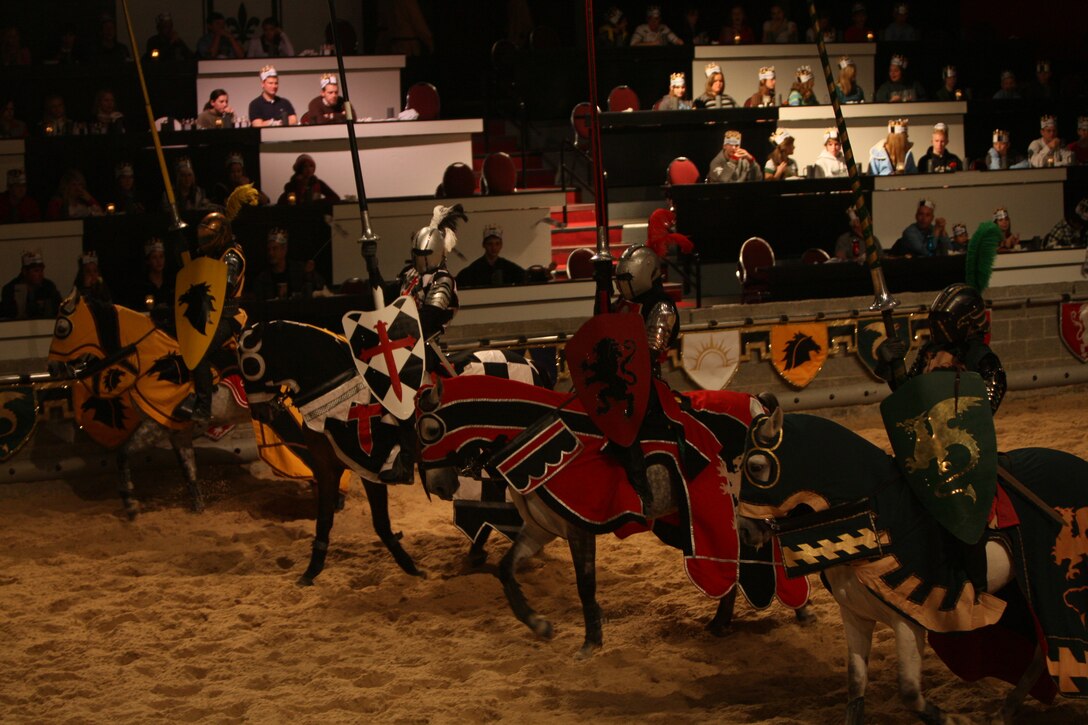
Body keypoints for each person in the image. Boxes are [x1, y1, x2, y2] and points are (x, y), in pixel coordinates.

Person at [607, 243, 681, 511]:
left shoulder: (661, 307)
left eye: (626, 279)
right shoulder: (623, 304)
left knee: (624, 423)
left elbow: (652, 348)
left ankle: (641, 489)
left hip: (645, 382)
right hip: (615, 377)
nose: (622, 285)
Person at [251, 228, 326, 300]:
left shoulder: (299, 269)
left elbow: (321, 286)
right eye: (269, 249)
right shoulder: (262, 279)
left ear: (284, 250)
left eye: (275, 249)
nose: (271, 253)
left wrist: (310, 274)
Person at [455, 224, 526, 288]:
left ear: (501, 245)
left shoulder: (509, 268)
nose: (494, 248)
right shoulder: (474, 269)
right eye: (490, 244)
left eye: (497, 244)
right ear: (484, 245)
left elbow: (524, 277)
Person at [1, 250, 61, 319]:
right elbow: (8, 314)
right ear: (24, 272)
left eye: (41, 271)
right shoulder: (10, 289)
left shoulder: (48, 286)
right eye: (36, 271)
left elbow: (58, 308)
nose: (41, 275)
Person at [130, 237, 174, 315]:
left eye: (161, 256)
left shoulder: (171, 282)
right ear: (148, 261)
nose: (159, 261)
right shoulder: (142, 286)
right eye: (154, 257)